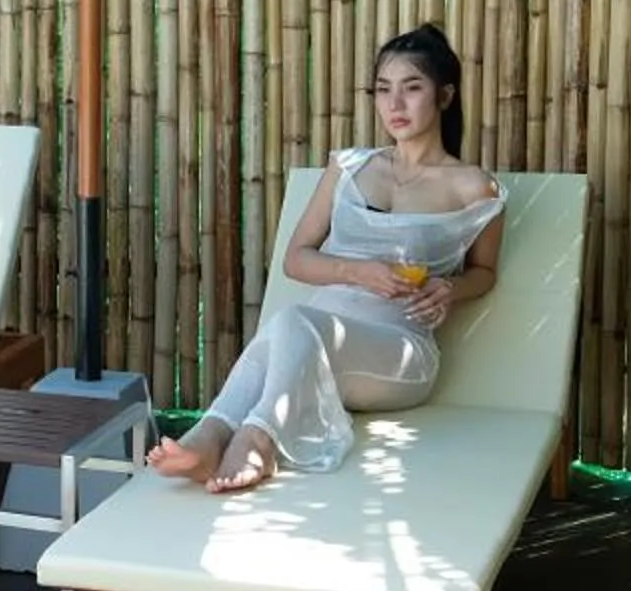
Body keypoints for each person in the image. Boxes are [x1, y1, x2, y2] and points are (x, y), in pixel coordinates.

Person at [147, 24, 507, 494]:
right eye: (383, 90)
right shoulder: (350, 167)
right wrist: (356, 271)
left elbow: (484, 272)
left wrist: (450, 288)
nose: (394, 105)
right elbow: (296, 259)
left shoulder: (473, 186)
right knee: (290, 324)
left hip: (400, 352)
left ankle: (259, 442)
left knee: (295, 321)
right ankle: (211, 436)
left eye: (411, 88)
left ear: (444, 95)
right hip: (314, 336)